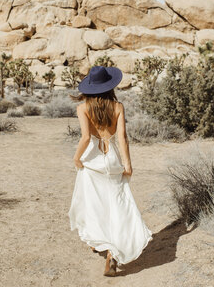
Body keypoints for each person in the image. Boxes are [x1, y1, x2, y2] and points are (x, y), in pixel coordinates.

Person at [68, 65, 153, 277]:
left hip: (92, 161)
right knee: (116, 203)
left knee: (94, 203)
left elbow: (86, 138)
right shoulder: (118, 107)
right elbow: (122, 137)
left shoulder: (83, 108)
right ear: (109, 86)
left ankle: (101, 241)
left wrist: (76, 157)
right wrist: (128, 164)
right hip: (112, 159)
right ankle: (111, 254)